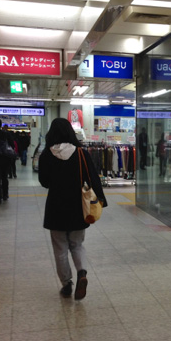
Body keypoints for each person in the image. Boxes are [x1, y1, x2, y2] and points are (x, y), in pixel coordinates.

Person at [39, 118, 107, 300]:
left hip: (56, 207)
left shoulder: (47, 154)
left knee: (60, 248)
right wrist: (101, 199)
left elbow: (44, 182)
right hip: (78, 207)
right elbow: (93, 178)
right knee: (77, 244)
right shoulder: (81, 153)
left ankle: (67, 284)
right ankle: (82, 273)